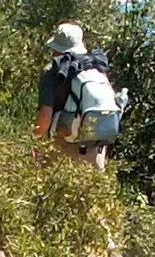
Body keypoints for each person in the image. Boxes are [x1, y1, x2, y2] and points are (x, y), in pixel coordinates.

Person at [33, 21, 117, 170]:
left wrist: (34, 141)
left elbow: (45, 117)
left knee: (53, 191)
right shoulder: (97, 67)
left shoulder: (52, 70)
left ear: (57, 48)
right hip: (96, 148)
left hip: (64, 147)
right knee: (92, 192)